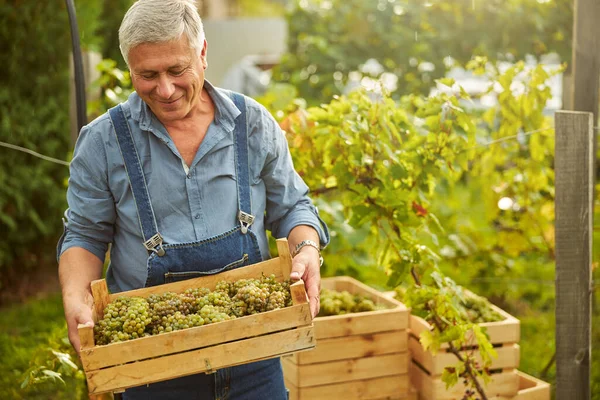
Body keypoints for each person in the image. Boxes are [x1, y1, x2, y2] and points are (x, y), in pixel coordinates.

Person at [56, 1, 329, 398]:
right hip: (151, 366)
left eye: (176, 70)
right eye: (147, 75)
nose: (164, 90)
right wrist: (75, 297)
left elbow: (293, 207)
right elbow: (84, 234)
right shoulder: (102, 142)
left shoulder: (251, 124)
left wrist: (305, 248)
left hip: (254, 355)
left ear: (202, 54)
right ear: (129, 68)